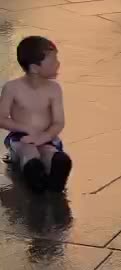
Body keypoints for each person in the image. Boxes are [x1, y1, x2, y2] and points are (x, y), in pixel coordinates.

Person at [0, 36, 72, 193]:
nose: (58, 64)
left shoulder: (54, 89)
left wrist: (44, 136)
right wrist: (25, 128)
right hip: (21, 138)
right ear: (34, 68)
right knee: (28, 151)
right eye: (53, 61)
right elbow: (1, 118)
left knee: (50, 153)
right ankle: (34, 175)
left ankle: (55, 175)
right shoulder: (12, 88)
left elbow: (58, 122)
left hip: (46, 137)